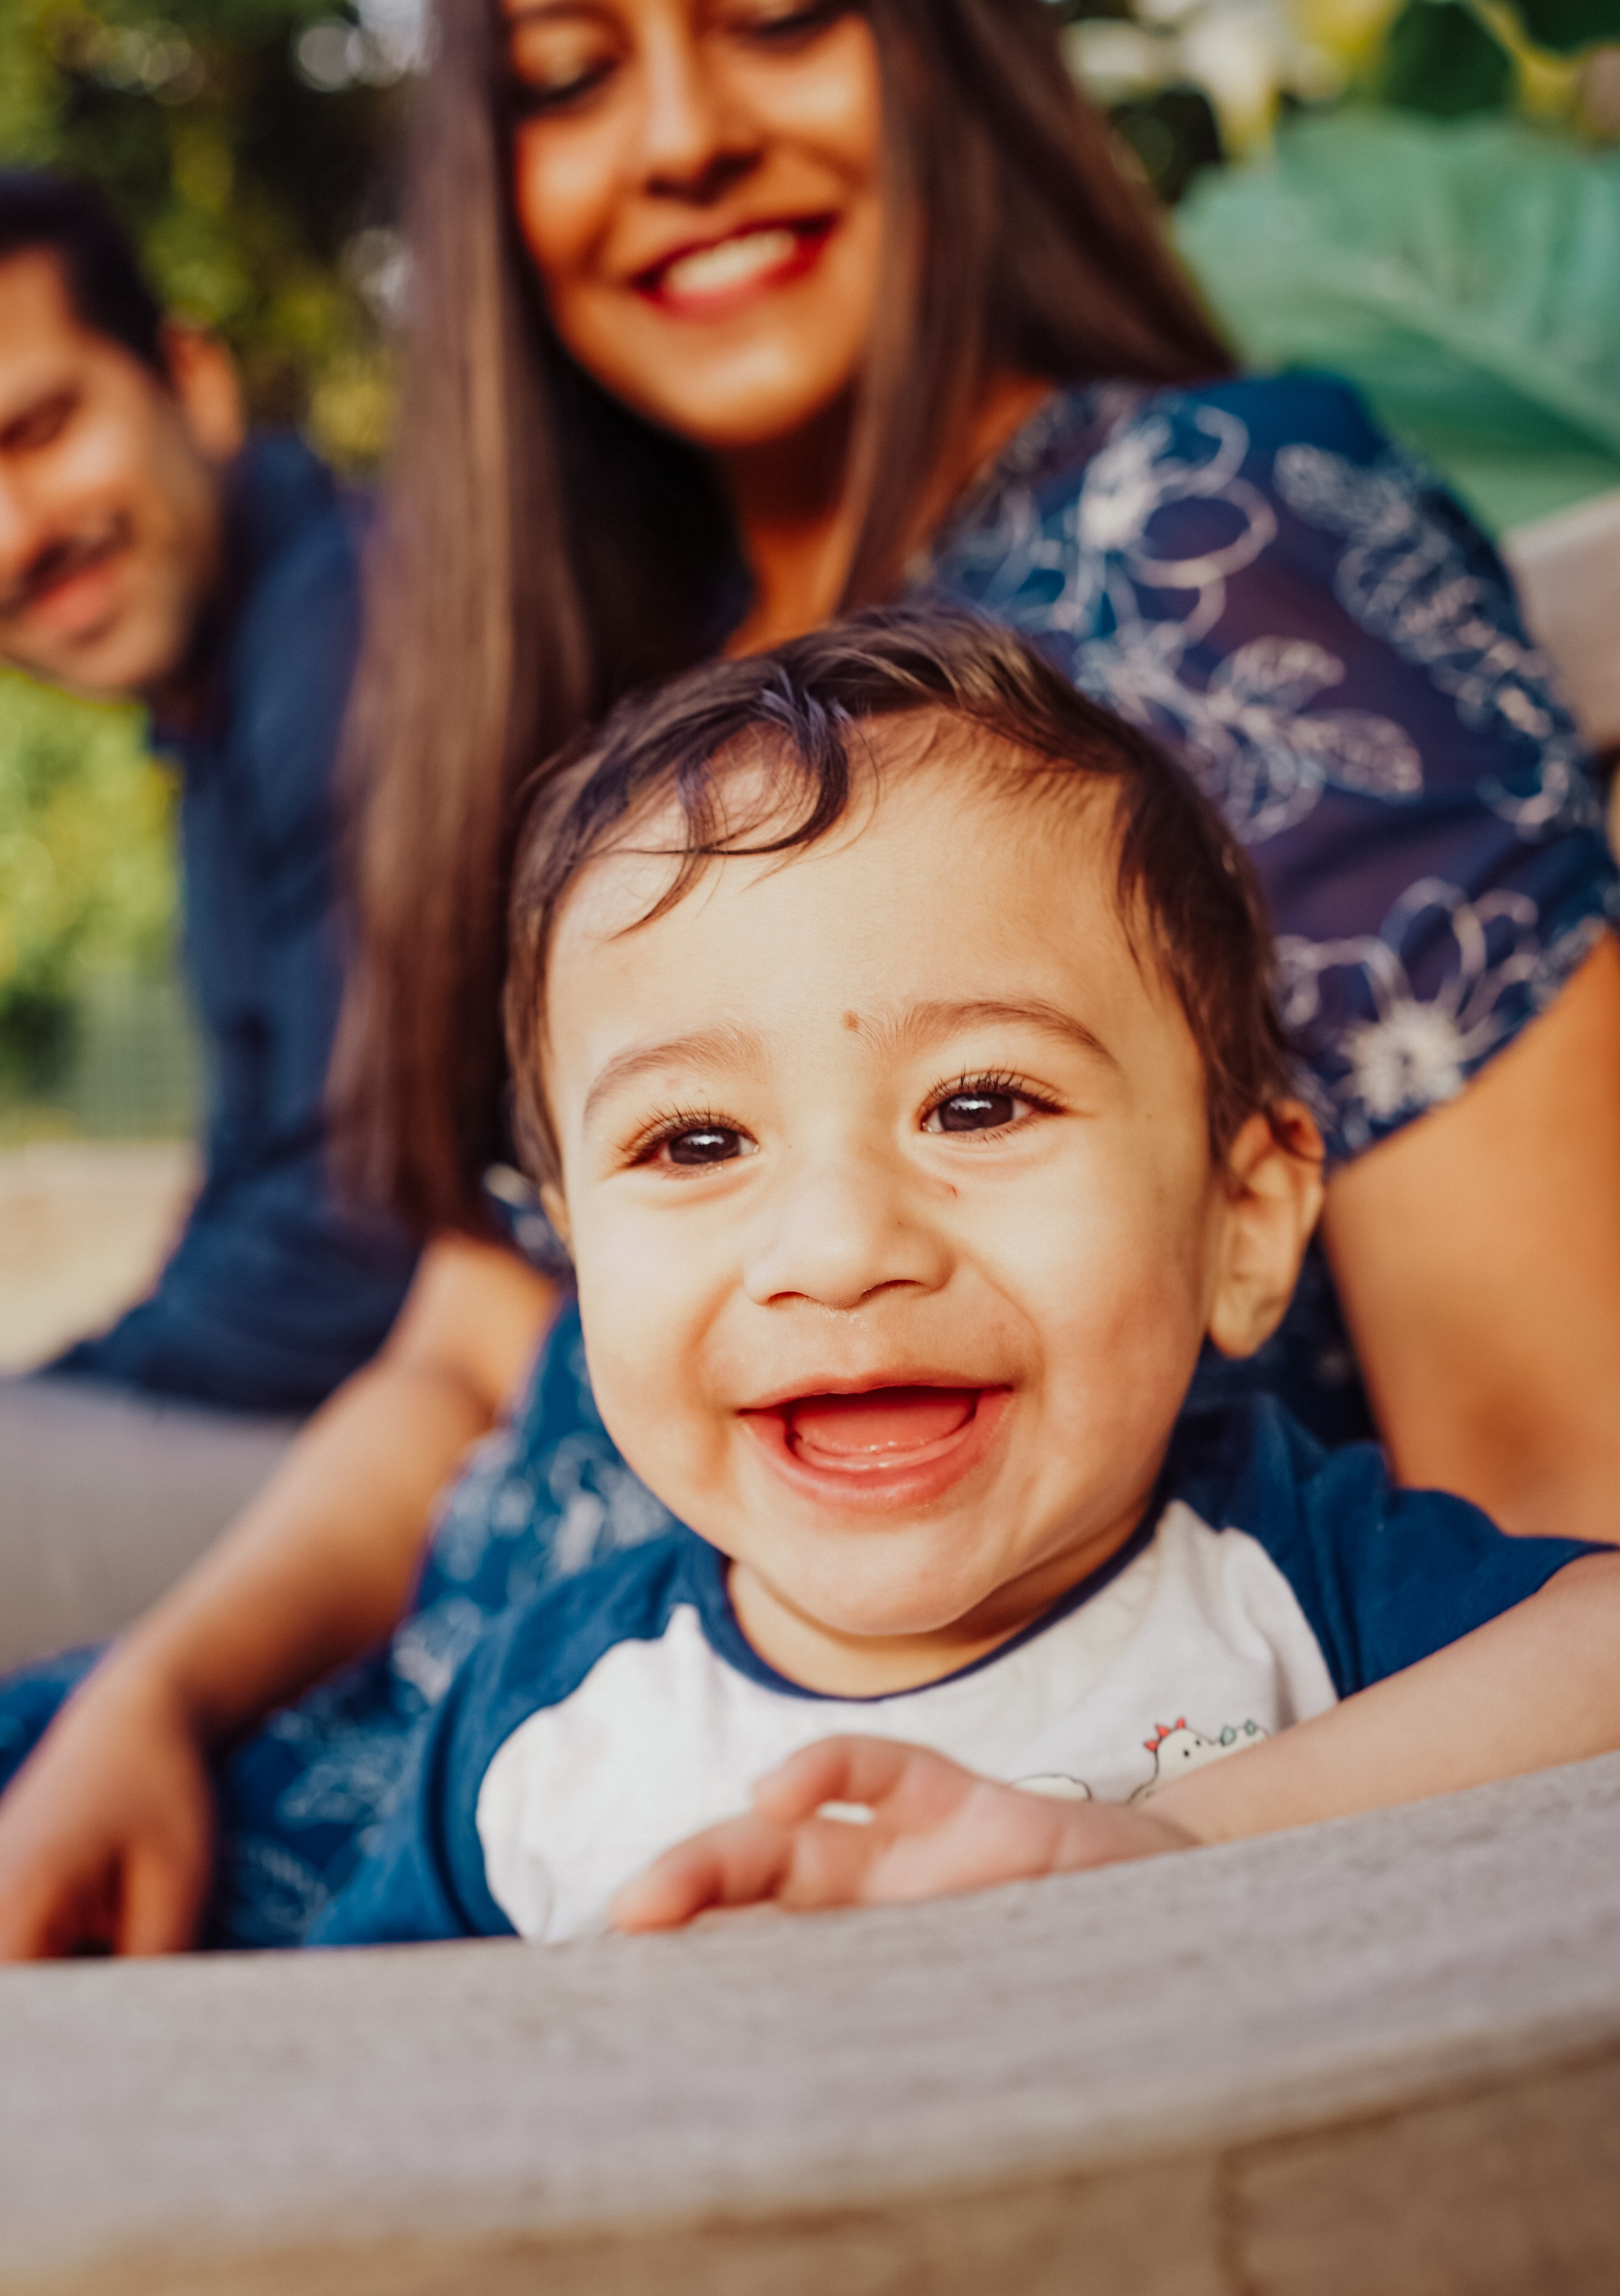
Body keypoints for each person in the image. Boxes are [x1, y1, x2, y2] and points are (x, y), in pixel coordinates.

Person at [3, 0, 1619, 1961]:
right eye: (571, 74)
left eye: (775, 20)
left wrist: (1175, 1847)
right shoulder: (644, 694)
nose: (679, 137)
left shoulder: (1213, 541)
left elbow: (1554, 1468)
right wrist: (150, 1699)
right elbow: (451, 1361)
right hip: (411, 1792)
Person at [309, 613, 1619, 1948]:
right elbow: (349, 2101)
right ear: (577, 1256)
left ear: (1240, 1224)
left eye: (980, 1105)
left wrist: (1184, 1839)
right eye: (693, 1141)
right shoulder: (536, 1734)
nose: (838, 1249)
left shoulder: (1288, 1583)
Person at [0, 174, 418, 1657]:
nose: (14, 536)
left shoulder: (349, 628)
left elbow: (361, 1233)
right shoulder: (224, 703)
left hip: (445, 1452)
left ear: (193, 380)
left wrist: (82, 1387)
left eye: (39, 432)